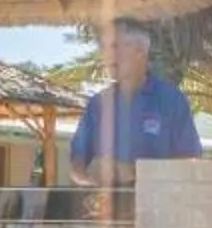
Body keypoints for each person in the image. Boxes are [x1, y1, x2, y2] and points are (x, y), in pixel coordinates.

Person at [71, 19, 201, 185]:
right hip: (103, 201)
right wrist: (88, 178)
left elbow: (190, 161)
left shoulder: (171, 100)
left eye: (114, 46)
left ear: (140, 50)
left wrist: (133, 171)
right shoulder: (97, 105)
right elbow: (77, 163)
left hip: (158, 200)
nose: (107, 55)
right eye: (104, 48)